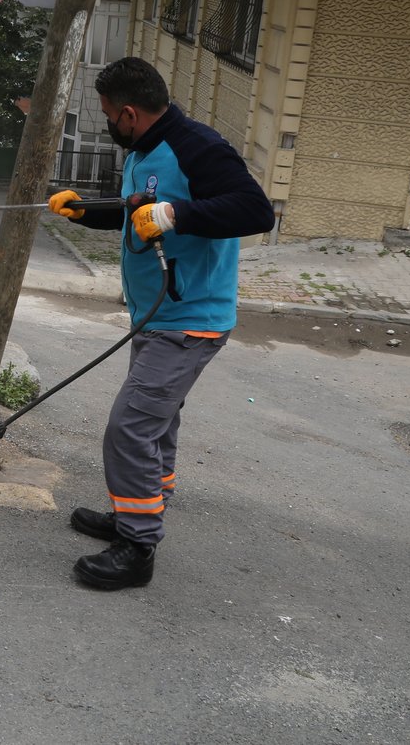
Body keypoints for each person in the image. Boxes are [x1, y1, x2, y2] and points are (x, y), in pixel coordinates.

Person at [47, 57, 274, 590]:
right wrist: (88, 211)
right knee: (156, 425)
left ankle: (138, 546)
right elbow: (139, 211)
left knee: (130, 428)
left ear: (129, 113)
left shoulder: (198, 147)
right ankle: (137, 513)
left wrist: (177, 215)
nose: (106, 123)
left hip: (190, 319)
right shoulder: (143, 149)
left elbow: (255, 211)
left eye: (108, 114)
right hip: (156, 316)